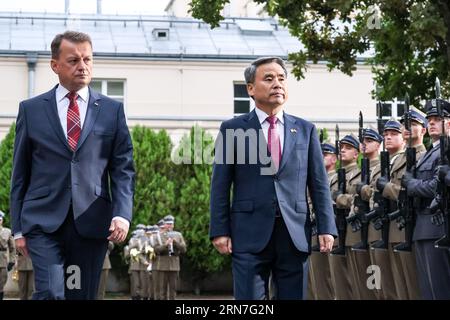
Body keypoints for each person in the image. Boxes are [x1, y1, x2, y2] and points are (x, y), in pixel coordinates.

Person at [10, 31, 135, 300]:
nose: (83, 66)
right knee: (52, 292)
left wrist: (122, 213)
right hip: (43, 223)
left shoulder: (111, 111)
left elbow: (123, 168)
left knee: (78, 293)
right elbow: (20, 174)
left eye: (87, 59)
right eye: (74, 60)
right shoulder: (31, 110)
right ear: (55, 65)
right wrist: (18, 228)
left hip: (90, 225)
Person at [210, 56, 337, 300]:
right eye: (268, 78)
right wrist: (219, 230)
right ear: (250, 88)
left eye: (281, 78)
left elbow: (319, 184)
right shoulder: (232, 129)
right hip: (248, 234)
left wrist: (326, 227)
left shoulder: (305, 130)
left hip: (294, 233)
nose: (277, 83)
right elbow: (220, 185)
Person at [402, 99, 450, 299]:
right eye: (429, 119)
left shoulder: (446, 150)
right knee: (428, 289)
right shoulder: (431, 151)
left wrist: (412, 185)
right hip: (423, 226)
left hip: (438, 225)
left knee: (440, 288)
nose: (431, 123)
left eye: (437, 119)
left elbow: (436, 186)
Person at [308, 142, 337, 300]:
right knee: (315, 281)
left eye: (325, 154)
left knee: (330, 280)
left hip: (335, 230)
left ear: (334, 158)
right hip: (313, 229)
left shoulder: (338, 176)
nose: (321, 157)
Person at [153, 215, 186, 300]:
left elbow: (183, 249)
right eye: (167, 224)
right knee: (162, 289)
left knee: (173, 288)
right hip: (162, 265)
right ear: (164, 224)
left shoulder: (178, 235)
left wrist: (175, 242)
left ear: (173, 225)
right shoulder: (158, 236)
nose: (169, 226)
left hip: (174, 264)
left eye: (171, 224)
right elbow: (156, 249)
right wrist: (165, 245)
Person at [0, 211, 16, 300]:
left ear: (2, 220)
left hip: (3, 260)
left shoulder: (7, 231)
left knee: (1, 283)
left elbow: (12, 248)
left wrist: (12, 261)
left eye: (0, 219)